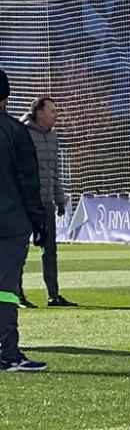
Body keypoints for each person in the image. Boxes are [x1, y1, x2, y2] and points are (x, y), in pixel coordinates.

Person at [0, 69, 48, 372]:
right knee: (5, 288)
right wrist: (39, 222)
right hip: (10, 222)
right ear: (6, 96)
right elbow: (30, 182)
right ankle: (8, 351)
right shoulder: (15, 132)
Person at [21, 95, 75, 306]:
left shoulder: (53, 137)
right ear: (39, 113)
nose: (56, 115)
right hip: (25, 205)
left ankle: (53, 294)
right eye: (53, 111)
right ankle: (18, 294)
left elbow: (54, 173)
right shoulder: (21, 133)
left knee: (49, 250)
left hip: (46, 204)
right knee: (19, 250)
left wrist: (60, 200)